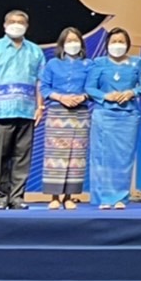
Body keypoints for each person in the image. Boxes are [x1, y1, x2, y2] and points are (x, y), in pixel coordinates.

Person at [0, 10, 45, 210]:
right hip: (0, 110)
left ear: (27, 26)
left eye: (20, 22)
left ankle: (17, 197)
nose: (16, 24)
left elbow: (40, 81)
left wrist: (40, 107)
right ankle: (0, 196)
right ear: (5, 25)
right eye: (12, 21)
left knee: (22, 156)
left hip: (26, 110)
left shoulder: (35, 51)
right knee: (0, 156)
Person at [85, 28, 141, 210]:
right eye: (114, 42)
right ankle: (103, 198)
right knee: (102, 156)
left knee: (124, 157)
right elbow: (90, 88)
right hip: (104, 115)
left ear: (127, 44)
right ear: (107, 44)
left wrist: (132, 92)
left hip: (128, 116)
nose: (117, 45)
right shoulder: (98, 63)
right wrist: (105, 96)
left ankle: (120, 198)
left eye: (121, 42)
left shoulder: (137, 63)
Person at [40, 27, 91, 209]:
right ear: (62, 44)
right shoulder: (52, 64)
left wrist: (83, 97)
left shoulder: (89, 64)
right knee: (56, 155)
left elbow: (93, 87)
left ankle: (69, 197)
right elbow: (44, 88)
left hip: (80, 115)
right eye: (69, 41)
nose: (72, 44)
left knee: (76, 156)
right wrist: (61, 97)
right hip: (57, 114)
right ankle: (54, 197)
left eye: (76, 40)